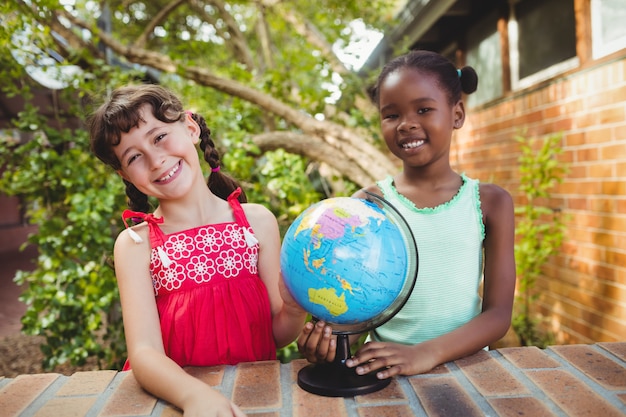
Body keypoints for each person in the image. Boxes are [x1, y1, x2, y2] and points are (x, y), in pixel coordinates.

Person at [88, 84, 306, 417]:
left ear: (190, 128)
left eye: (159, 137)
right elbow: (145, 353)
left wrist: (294, 310)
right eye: (134, 156)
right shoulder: (135, 245)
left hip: (254, 398)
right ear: (124, 174)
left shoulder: (257, 223)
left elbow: (277, 335)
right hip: (175, 403)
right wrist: (195, 397)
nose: (155, 159)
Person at [297, 50, 516, 380]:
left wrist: (425, 354)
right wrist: (332, 342)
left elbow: (498, 315)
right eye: (391, 115)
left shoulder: (490, 203)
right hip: (387, 375)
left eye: (424, 109)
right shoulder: (366, 207)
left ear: (457, 114)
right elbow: (360, 308)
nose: (407, 124)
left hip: (467, 373)